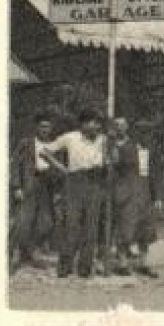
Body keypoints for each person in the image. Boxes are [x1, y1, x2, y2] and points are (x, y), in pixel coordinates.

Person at [44, 110, 107, 279]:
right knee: (71, 225)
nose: (98, 126)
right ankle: (65, 267)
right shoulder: (70, 137)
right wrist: (61, 168)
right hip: (75, 182)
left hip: (95, 181)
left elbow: (111, 158)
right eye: (94, 123)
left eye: (99, 123)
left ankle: (85, 268)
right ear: (84, 124)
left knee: (91, 227)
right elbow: (46, 151)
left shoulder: (102, 140)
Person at [10, 114, 65, 272]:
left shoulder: (55, 145)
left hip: (47, 187)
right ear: (36, 127)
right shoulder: (26, 144)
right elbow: (15, 166)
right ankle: (15, 256)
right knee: (23, 221)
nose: (45, 130)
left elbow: (60, 168)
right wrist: (16, 187)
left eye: (48, 127)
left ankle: (30, 250)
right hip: (29, 184)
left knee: (46, 223)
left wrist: (58, 191)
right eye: (42, 126)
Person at [108, 118, 160, 278]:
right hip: (129, 192)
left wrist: (157, 196)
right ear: (136, 133)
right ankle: (122, 263)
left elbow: (155, 174)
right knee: (127, 228)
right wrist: (119, 193)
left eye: (149, 133)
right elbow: (115, 171)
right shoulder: (125, 148)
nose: (146, 136)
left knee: (146, 229)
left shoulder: (153, 150)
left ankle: (143, 263)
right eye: (142, 133)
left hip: (145, 193)